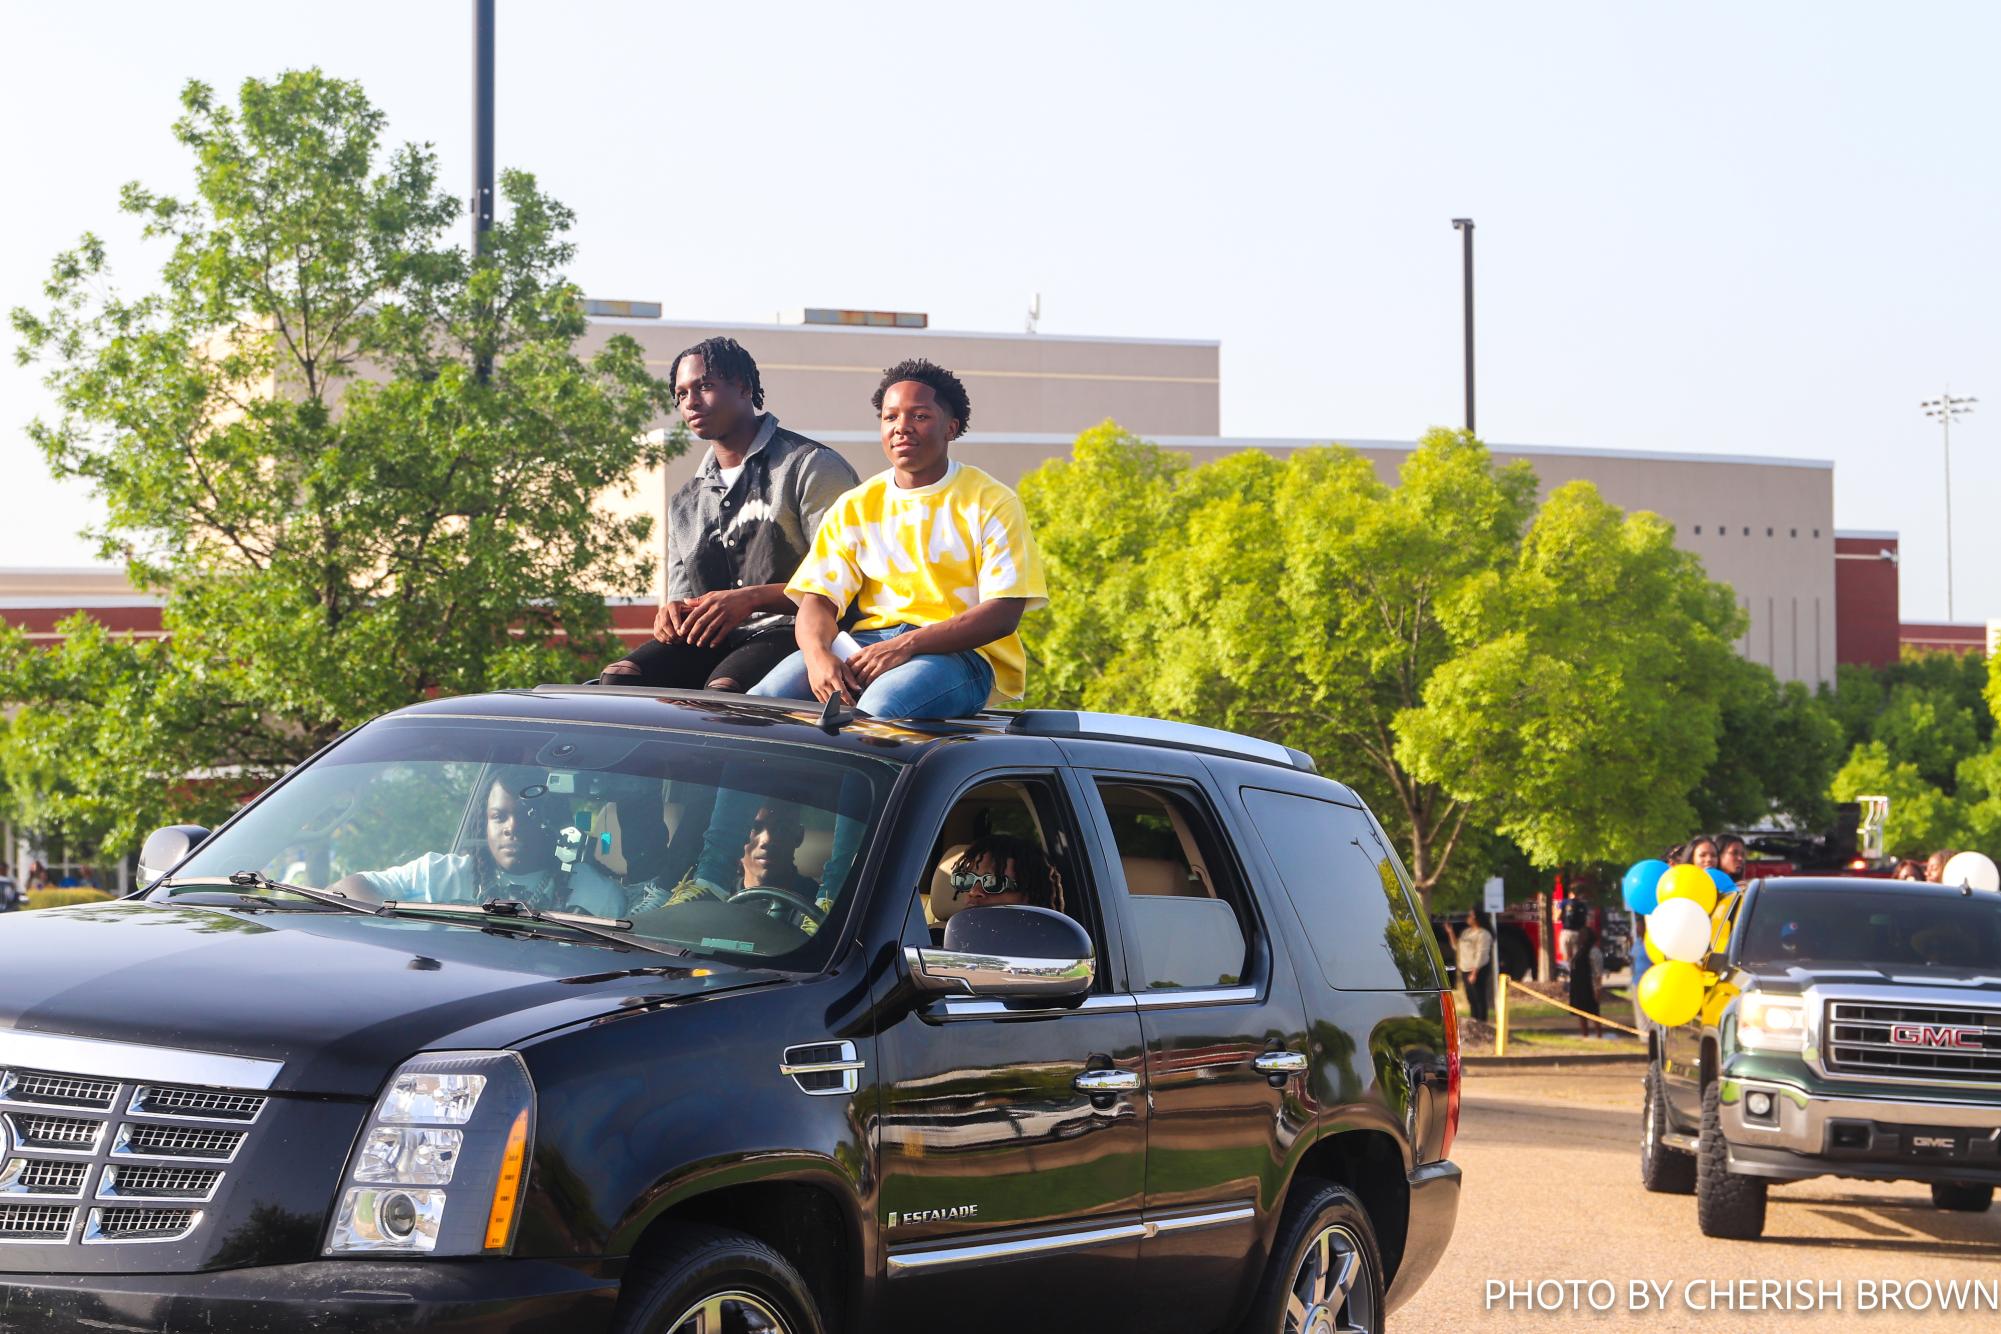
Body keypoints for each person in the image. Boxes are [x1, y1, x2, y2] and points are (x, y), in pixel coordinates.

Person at [750, 358, 1048, 718]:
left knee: (877, 711)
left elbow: (1003, 614)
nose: (901, 428)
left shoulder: (991, 500)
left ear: (950, 428)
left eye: (919, 416)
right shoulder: (856, 505)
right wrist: (818, 658)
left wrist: (905, 645)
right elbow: (817, 601)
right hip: (866, 646)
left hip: (960, 656)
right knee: (760, 704)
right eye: (890, 417)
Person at [600, 337, 858, 691]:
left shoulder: (811, 467)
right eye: (681, 394)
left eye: (704, 386)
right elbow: (682, 598)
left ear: (743, 387)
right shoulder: (685, 502)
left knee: (723, 693)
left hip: (793, 630)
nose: (690, 402)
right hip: (712, 640)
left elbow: (843, 581)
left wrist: (750, 598)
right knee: (619, 678)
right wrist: (671, 614)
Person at [332, 772, 624, 918]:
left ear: (552, 823)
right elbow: (349, 887)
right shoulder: (440, 874)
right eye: (499, 817)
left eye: (526, 816)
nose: (511, 828)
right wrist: (392, 928)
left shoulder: (597, 895)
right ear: (484, 823)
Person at [943, 834, 1063, 915]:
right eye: (966, 880)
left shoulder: (1042, 949)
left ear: (1030, 896)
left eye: (993, 882)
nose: (974, 891)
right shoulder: (934, 940)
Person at [1455, 910, 1494, 1024]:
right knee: (1471, 998)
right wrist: (1450, 932)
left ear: (1477, 918)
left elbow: (1481, 953)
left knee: (1479, 997)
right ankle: (1473, 1021)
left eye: (1470, 915)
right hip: (1465, 968)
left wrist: (1474, 972)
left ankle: (1482, 1022)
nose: (1468, 917)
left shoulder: (1483, 934)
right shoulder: (1466, 932)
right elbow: (1457, 946)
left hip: (1477, 969)